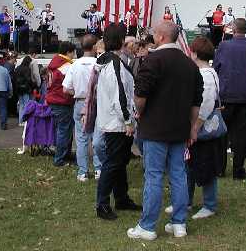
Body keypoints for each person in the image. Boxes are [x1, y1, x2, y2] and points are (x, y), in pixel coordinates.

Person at [127, 21, 203, 241]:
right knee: (178, 174)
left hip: (155, 127)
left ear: (160, 37)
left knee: (154, 175)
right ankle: (179, 223)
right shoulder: (190, 64)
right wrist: (192, 126)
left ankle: (147, 226)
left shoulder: (153, 61)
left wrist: (139, 113)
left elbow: (140, 94)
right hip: (180, 127)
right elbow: (196, 100)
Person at [93, 25, 139, 221]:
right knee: (113, 163)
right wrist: (128, 120)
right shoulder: (114, 65)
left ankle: (121, 198)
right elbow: (120, 96)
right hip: (117, 123)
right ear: (120, 41)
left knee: (119, 162)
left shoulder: (111, 62)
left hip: (114, 120)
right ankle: (102, 204)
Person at [213, 18, 246, 180]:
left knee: (222, 134)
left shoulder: (224, 46)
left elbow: (216, 67)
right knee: (241, 134)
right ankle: (238, 169)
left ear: (233, 30)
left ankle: (219, 168)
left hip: (227, 94)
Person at [184, 36, 222, 220]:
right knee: (190, 164)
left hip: (203, 127)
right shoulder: (209, 71)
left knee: (204, 166)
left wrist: (195, 127)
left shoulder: (205, 75)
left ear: (196, 53)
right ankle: (187, 201)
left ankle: (209, 204)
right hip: (200, 126)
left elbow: (205, 105)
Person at [63, 35, 105, 182]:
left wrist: (78, 92)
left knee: (81, 138)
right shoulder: (100, 63)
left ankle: (83, 172)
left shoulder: (75, 64)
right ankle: (98, 169)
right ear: (94, 47)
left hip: (81, 101)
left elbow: (66, 88)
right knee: (97, 136)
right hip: (97, 101)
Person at [46, 41, 76, 166]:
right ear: (68, 52)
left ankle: (65, 154)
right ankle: (60, 159)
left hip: (53, 100)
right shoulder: (66, 66)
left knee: (62, 130)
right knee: (64, 131)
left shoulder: (54, 63)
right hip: (62, 101)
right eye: (73, 52)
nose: (74, 54)